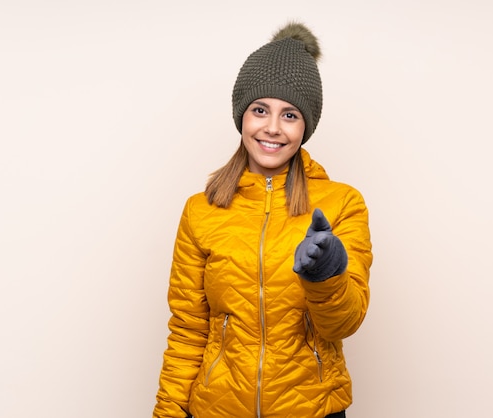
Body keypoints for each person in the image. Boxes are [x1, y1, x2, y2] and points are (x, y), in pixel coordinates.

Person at [152, 21, 373, 418]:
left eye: (290, 114)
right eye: (260, 110)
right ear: (242, 116)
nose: (272, 128)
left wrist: (327, 275)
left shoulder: (342, 203)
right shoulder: (200, 211)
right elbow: (188, 330)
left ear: (306, 126)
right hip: (217, 408)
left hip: (313, 409)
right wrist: (167, 413)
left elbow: (344, 323)